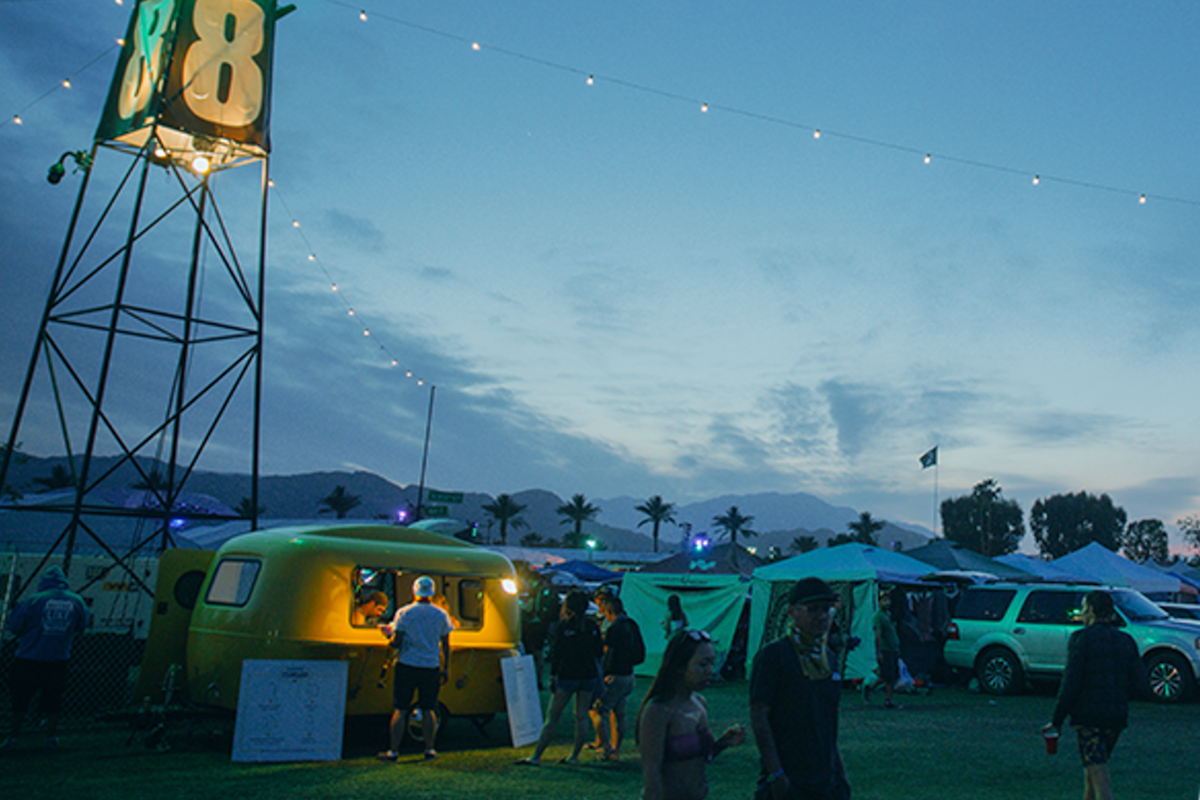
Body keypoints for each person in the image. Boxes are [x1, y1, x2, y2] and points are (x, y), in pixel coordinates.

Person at [750, 577, 850, 800]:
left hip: (826, 778)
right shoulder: (775, 656)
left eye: (826, 609)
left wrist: (840, 772)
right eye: (813, 609)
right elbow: (759, 715)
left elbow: (827, 722)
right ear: (792, 612)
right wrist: (777, 773)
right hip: (791, 775)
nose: (822, 616)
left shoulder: (829, 659)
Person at [1043, 590, 1146, 800]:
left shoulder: (1081, 639)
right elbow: (1140, 684)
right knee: (1093, 770)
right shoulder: (1126, 641)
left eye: (1083, 609)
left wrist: (1057, 720)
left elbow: (1070, 683)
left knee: (1100, 780)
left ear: (1090, 610)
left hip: (1088, 718)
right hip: (1116, 718)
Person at [638, 628, 746, 800]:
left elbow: (697, 759)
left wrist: (722, 744)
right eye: (703, 664)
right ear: (680, 666)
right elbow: (651, 771)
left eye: (712, 663)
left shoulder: (700, 703)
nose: (710, 670)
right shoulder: (658, 710)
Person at [3, 565, 90, 749]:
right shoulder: (76, 601)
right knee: (54, 699)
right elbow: (82, 626)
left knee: (20, 699)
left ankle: (13, 737)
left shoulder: (31, 601)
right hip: (58, 658)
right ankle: (50, 737)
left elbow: (15, 627)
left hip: (28, 657)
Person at [518, 589, 603, 765]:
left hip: (568, 676)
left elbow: (557, 654)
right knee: (581, 717)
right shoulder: (592, 626)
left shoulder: (563, 627)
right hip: (588, 675)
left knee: (552, 718)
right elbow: (597, 653)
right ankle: (575, 756)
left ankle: (537, 756)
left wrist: (552, 676)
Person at [377, 575, 454, 761]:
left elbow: (397, 642)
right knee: (429, 708)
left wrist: (388, 635)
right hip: (431, 665)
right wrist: (446, 668)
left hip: (408, 665)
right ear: (432, 592)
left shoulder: (404, 613)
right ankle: (430, 749)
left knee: (401, 708)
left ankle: (394, 751)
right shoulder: (441, 614)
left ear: (414, 591)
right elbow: (446, 644)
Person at [589, 596, 644, 760]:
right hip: (628, 674)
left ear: (610, 612)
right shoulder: (632, 625)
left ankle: (606, 747)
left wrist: (603, 673)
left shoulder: (614, 629)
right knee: (619, 713)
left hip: (614, 675)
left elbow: (608, 654)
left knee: (597, 710)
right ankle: (616, 748)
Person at [862, 589, 900, 709]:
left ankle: (870, 688)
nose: (887, 603)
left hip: (893, 649)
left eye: (888, 600)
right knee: (888, 676)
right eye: (884, 600)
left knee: (889, 676)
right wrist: (878, 652)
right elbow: (877, 635)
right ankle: (888, 700)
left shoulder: (888, 615)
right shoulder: (878, 617)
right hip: (885, 650)